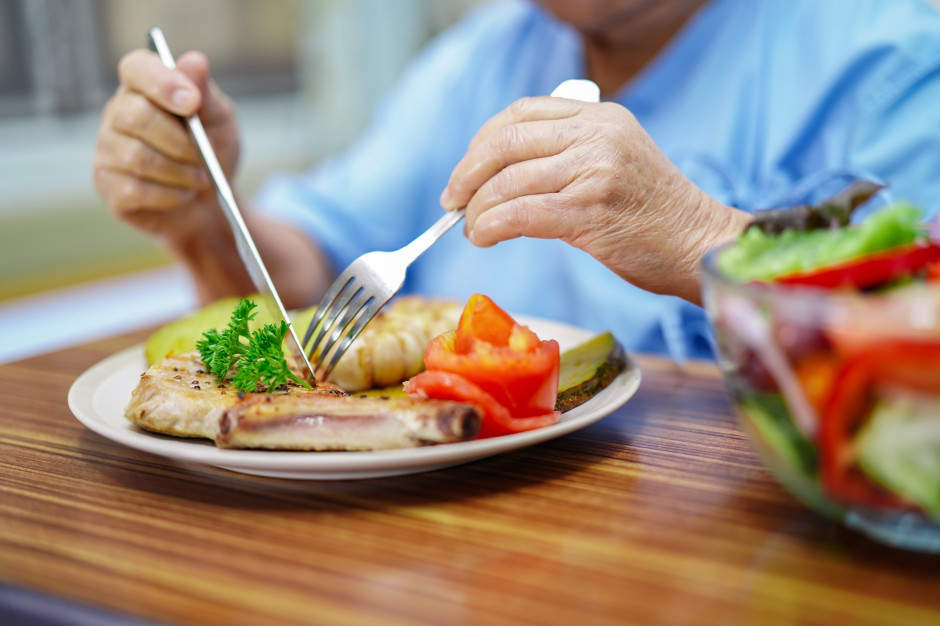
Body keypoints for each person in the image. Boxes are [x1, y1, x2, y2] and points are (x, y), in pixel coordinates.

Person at [93, 0, 940, 363]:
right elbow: (311, 271)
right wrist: (204, 215)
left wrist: (699, 236)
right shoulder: (481, 56)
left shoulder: (890, 49)